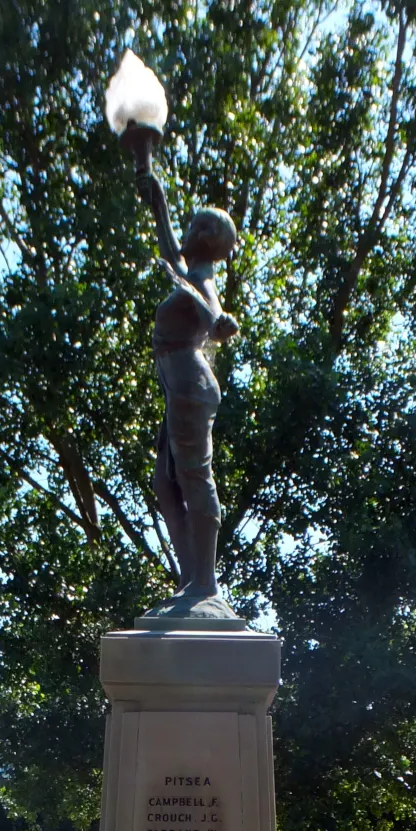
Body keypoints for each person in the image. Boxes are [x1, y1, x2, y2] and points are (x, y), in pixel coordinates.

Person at [136, 169, 238, 599]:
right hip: (177, 383)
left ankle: (206, 583)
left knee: (195, 477)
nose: (191, 229)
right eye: (192, 223)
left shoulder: (203, 281)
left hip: (191, 384)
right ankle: (191, 577)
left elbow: (212, 313)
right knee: (165, 483)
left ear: (213, 242)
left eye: (201, 227)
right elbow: (167, 247)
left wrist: (220, 324)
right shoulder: (185, 272)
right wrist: (157, 197)